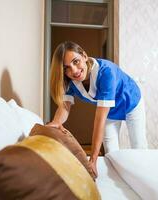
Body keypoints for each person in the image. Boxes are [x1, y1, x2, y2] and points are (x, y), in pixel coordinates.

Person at [47, 41, 148, 177]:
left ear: (84, 56)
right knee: (112, 152)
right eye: (66, 68)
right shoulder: (70, 83)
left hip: (131, 102)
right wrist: (56, 122)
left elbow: (99, 120)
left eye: (76, 62)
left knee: (139, 146)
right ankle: (119, 179)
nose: (74, 71)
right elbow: (65, 106)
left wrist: (93, 159)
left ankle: (144, 175)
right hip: (111, 112)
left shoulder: (106, 72)